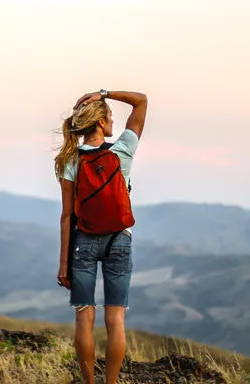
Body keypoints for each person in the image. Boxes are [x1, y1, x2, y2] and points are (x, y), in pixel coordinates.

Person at [55, 89, 148, 384]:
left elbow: (67, 215)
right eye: (109, 117)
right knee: (116, 319)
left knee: (84, 317)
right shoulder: (122, 151)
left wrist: (63, 264)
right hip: (119, 240)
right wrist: (104, 92)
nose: (113, 122)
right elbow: (141, 100)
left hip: (83, 243)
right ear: (100, 122)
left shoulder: (70, 160)